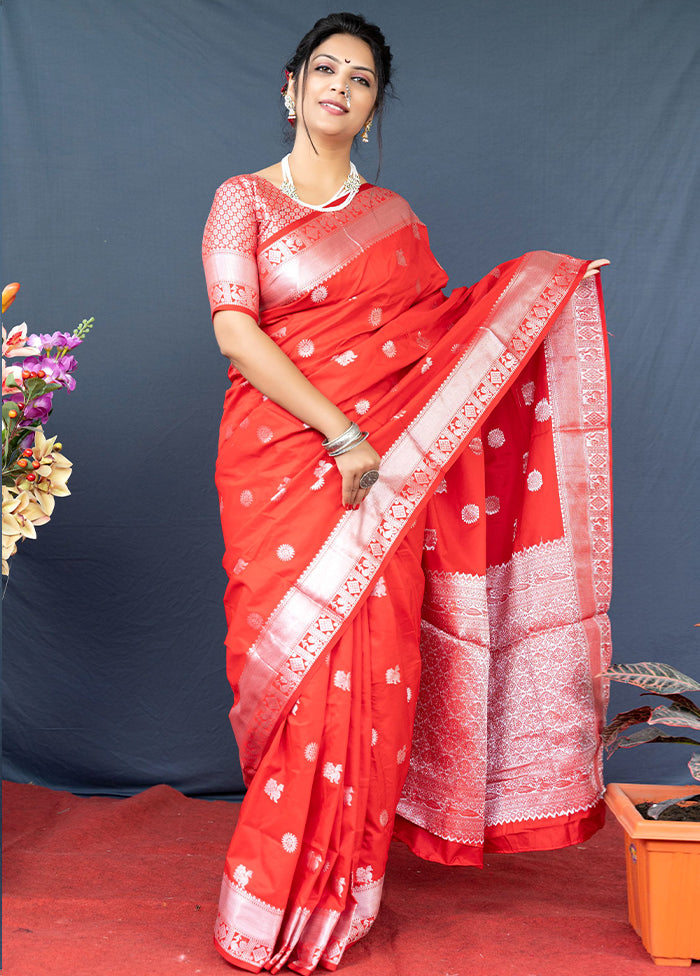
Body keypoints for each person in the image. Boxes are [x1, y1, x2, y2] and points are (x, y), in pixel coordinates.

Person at [202, 12, 612, 974]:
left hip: (377, 476)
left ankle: (337, 894)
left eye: (363, 80)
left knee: (368, 667)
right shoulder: (241, 203)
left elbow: (443, 342)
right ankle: (267, 906)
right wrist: (341, 433)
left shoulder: (394, 221)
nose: (341, 87)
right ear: (291, 86)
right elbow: (236, 334)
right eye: (326, 70)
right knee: (291, 671)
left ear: (374, 107)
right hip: (284, 463)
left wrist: (540, 296)